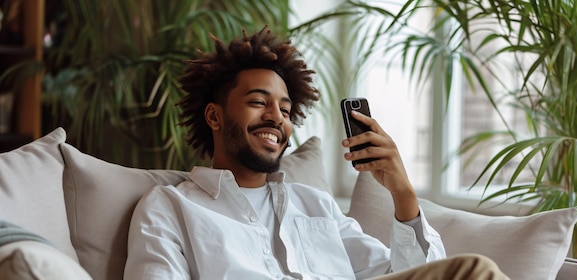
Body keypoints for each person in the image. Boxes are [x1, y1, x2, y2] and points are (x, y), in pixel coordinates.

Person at [123, 26, 509, 280]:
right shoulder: (171, 207)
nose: (276, 118)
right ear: (215, 116)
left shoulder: (316, 206)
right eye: (259, 102)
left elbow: (403, 272)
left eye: (287, 111)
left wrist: (403, 194)